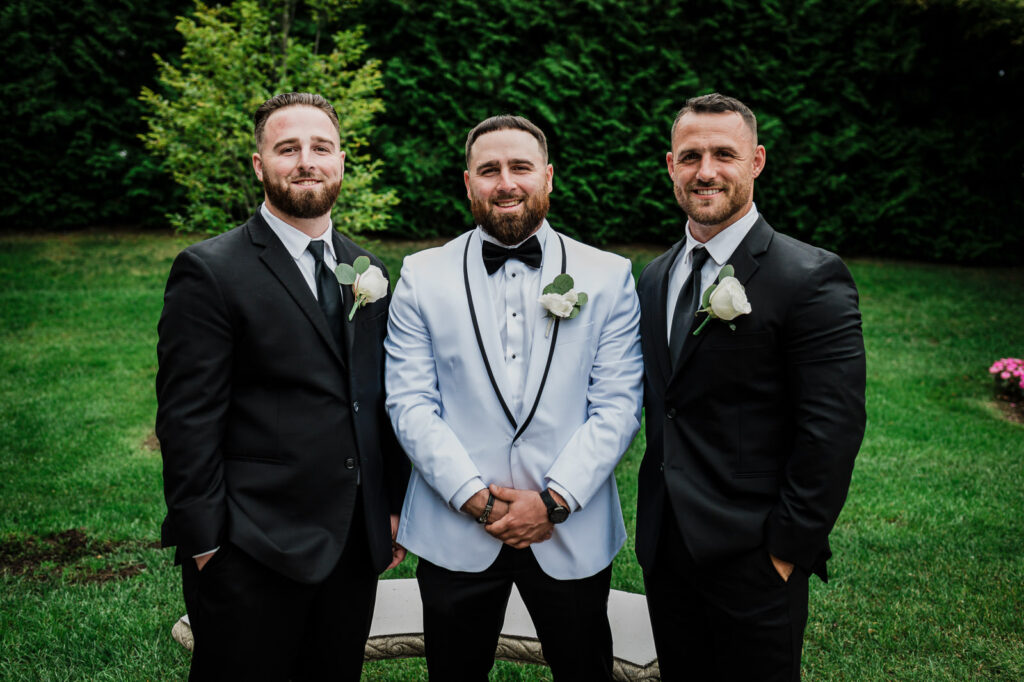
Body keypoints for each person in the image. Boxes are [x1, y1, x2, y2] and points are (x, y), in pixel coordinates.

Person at [155, 92, 409, 681]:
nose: (305, 162)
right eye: (287, 148)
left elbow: (374, 395)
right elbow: (186, 418)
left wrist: (389, 507)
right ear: (259, 164)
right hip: (251, 545)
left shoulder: (366, 268)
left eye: (320, 147)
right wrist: (205, 546)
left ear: (341, 161)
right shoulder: (211, 270)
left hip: (350, 543)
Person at [384, 114, 643, 681]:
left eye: (520, 167)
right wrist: (475, 498)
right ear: (468, 182)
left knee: (586, 670)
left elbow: (619, 405)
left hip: (569, 525)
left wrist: (552, 502)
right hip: (456, 527)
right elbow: (409, 403)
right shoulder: (421, 275)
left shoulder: (607, 275)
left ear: (548, 178)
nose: (505, 182)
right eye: (489, 170)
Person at [634, 93, 867, 681]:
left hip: (755, 557)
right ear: (670, 165)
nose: (705, 171)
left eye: (723, 154)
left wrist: (785, 553)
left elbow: (831, 431)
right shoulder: (657, 276)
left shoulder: (809, 277)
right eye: (690, 156)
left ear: (756, 161)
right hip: (667, 551)